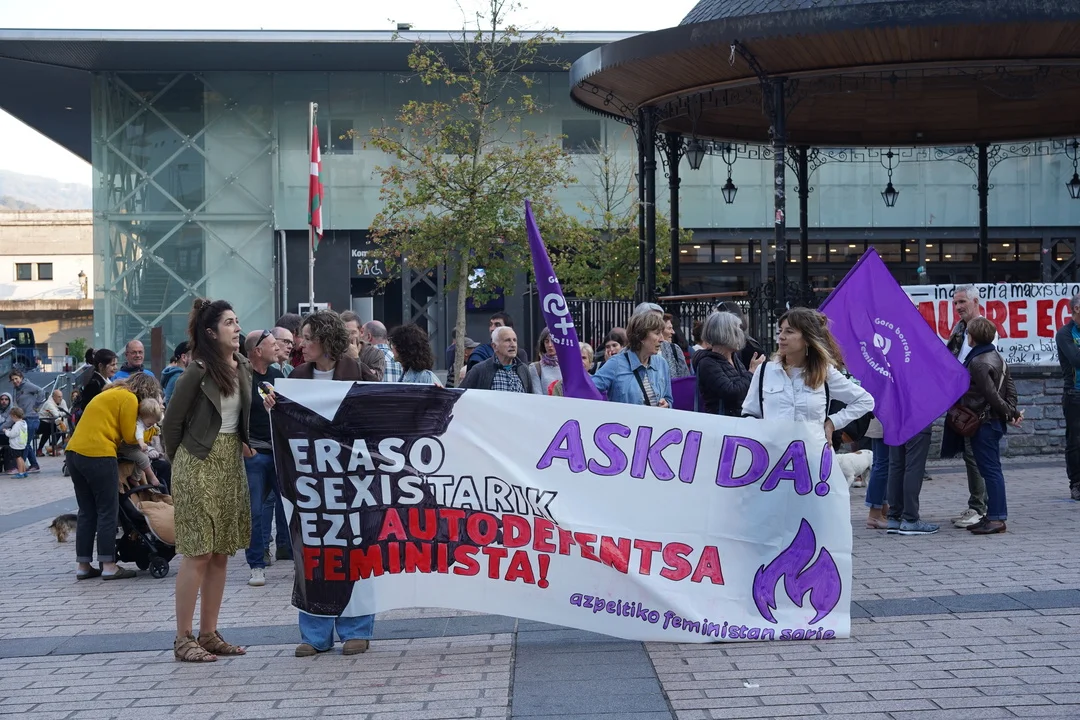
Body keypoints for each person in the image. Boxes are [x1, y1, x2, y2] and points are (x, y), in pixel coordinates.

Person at [265, 309, 379, 657]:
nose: (301, 344)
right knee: (312, 552)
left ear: (327, 341)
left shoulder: (358, 372)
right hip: (312, 483)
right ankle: (315, 634)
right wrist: (274, 407)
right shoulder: (297, 376)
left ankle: (356, 629)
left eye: (308, 338)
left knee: (356, 551)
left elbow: (380, 414)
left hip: (352, 481)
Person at [163, 298, 252, 663]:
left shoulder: (242, 365)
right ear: (212, 332)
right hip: (197, 462)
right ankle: (183, 638)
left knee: (220, 553)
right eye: (230, 322)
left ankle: (209, 633)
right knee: (198, 551)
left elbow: (239, 417)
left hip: (230, 463)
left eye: (237, 321)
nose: (237, 327)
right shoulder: (197, 371)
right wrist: (182, 464)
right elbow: (171, 424)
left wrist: (245, 441)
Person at [65, 372, 162, 580]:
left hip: (73, 453)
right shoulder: (129, 398)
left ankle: (83, 566)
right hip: (99, 454)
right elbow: (130, 437)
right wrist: (151, 430)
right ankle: (109, 566)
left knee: (87, 511)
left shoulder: (108, 393)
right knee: (107, 510)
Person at [742, 307, 875, 441]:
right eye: (780, 331)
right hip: (773, 451)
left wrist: (833, 423)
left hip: (812, 451)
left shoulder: (825, 372)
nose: (781, 337)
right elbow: (749, 413)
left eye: (789, 331)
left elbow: (865, 401)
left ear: (807, 339)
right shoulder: (765, 371)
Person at [941, 317, 1022, 535]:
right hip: (992, 422)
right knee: (990, 469)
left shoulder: (978, 361)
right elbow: (1010, 389)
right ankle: (992, 514)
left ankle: (997, 518)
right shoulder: (997, 356)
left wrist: (1010, 413)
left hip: (984, 423)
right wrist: (1012, 411)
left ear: (972, 338)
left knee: (991, 471)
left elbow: (991, 395)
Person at [947, 285, 994, 528]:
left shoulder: (985, 330)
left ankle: (979, 508)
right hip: (963, 402)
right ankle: (977, 505)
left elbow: (989, 369)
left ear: (975, 301)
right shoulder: (959, 330)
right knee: (969, 454)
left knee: (976, 455)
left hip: (978, 403)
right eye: (955, 303)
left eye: (962, 302)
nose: (958, 307)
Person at [242, 329, 285, 588]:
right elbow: (231, 413)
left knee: (291, 507)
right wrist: (245, 447)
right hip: (255, 453)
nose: (277, 348)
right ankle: (256, 565)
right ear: (258, 351)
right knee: (255, 512)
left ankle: (301, 562)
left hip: (279, 452)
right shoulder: (241, 378)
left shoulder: (278, 376)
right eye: (272, 344)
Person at [592, 312, 673, 407]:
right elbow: (587, 390)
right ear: (641, 336)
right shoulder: (615, 364)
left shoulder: (662, 363)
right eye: (657, 333)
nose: (662, 339)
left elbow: (668, 398)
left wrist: (666, 404)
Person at [692, 311, 764, 416]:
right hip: (722, 421)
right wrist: (751, 372)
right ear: (724, 334)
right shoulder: (707, 363)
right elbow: (731, 393)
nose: (741, 335)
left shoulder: (733, 357)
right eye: (736, 331)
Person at [461, 326, 543, 394]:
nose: (513, 345)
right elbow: (461, 396)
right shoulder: (480, 370)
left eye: (514, 340)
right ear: (494, 346)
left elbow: (530, 400)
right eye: (507, 340)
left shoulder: (523, 370)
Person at [1055, 293, 1080, 501]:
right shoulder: (1065, 333)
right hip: (1075, 394)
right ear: (1077, 309)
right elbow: (1076, 359)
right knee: (1076, 441)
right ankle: (1076, 484)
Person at [116, 397, 165, 488]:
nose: (151, 426)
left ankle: (135, 478)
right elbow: (139, 434)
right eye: (150, 424)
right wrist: (142, 443)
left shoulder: (148, 420)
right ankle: (152, 477)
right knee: (144, 459)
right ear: (142, 417)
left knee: (145, 457)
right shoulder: (139, 423)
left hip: (136, 447)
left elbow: (157, 422)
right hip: (127, 448)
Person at [633, 303, 691, 378]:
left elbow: (684, 381)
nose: (658, 324)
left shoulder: (673, 350)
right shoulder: (623, 359)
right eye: (653, 321)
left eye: (660, 320)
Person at [9, 370, 44, 474]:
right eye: (12, 380)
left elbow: (41, 391)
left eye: (16, 378)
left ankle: (20, 467)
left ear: (21, 377)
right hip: (24, 418)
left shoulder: (27, 385)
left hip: (31, 418)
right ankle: (34, 465)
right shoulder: (17, 389)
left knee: (25, 444)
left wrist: (36, 406)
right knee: (26, 443)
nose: (15, 381)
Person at [38, 389, 69, 456]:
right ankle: (43, 449)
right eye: (59, 397)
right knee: (50, 429)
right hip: (42, 422)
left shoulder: (62, 401)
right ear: (53, 397)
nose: (61, 398)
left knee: (60, 428)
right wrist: (62, 413)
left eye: (61, 396)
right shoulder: (49, 403)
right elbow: (56, 414)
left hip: (52, 422)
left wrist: (61, 413)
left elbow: (66, 411)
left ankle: (51, 448)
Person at [4, 407, 28, 478]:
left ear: (14, 416)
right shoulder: (24, 423)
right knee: (21, 458)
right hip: (22, 444)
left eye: (11, 417)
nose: (11, 419)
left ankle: (20, 473)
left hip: (16, 445)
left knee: (18, 459)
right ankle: (24, 471)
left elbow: (12, 434)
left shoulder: (17, 425)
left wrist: (6, 431)